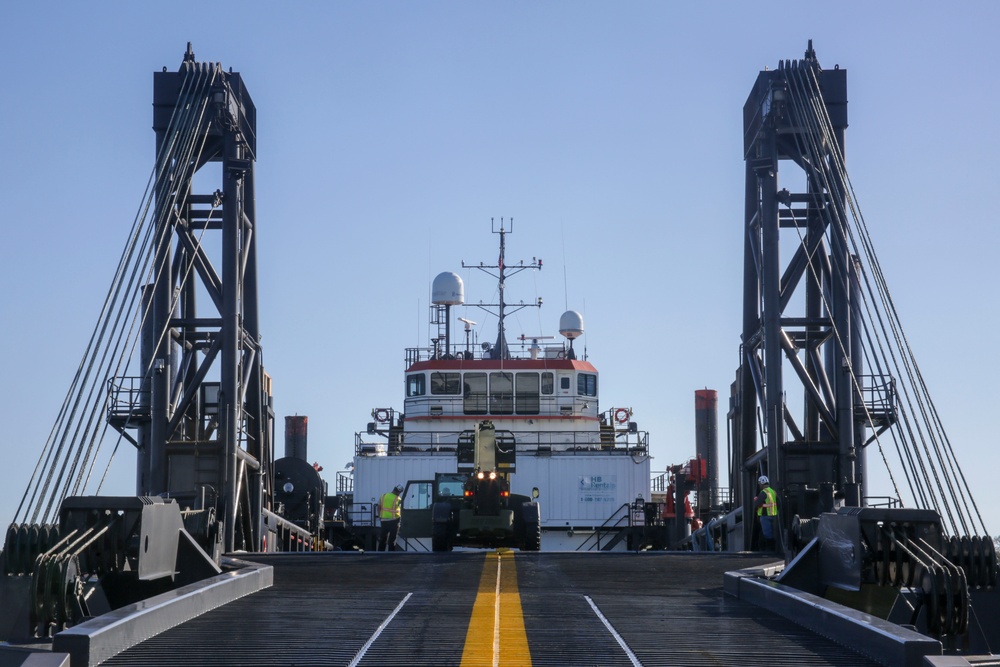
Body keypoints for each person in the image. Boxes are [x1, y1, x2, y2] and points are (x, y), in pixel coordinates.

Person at [754, 475, 778, 552]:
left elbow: (757, 504)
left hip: (765, 516)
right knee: (768, 532)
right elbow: (779, 503)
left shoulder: (763, 492)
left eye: (760, 484)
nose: (759, 485)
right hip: (773, 515)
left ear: (762, 483)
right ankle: (767, 548)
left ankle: (770, 550)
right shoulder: (773, 491)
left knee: (767, 533)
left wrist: (756, 500)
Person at [378, 484, 403, 551]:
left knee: (383, 538)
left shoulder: (383, 496)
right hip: (394, 521)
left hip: (383, 520)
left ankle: (380, 553)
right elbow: (400, 508)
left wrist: (379, 516)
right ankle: (391, 554)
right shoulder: (398, 499)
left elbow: (379, 507)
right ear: (399, 492)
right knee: (392, 539)